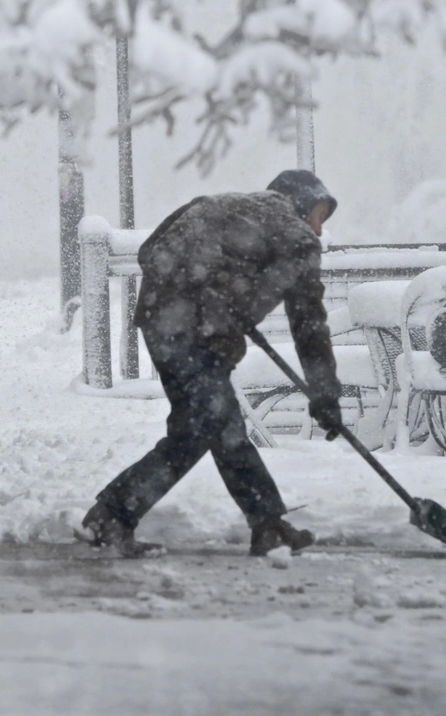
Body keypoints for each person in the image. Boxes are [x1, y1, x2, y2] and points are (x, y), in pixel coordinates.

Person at [76, 170, 344, 557]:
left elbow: (149, 252)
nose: (318, 231)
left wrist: (214, 291)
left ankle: (267, 524)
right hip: (198, 336)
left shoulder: (213, 204)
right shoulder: (296, 237)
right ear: (301, 206)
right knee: (206, 429)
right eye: (319, 217)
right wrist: (325, 395)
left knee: (211, 427)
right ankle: (113, 514)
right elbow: (309, 324)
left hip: (159, 324)